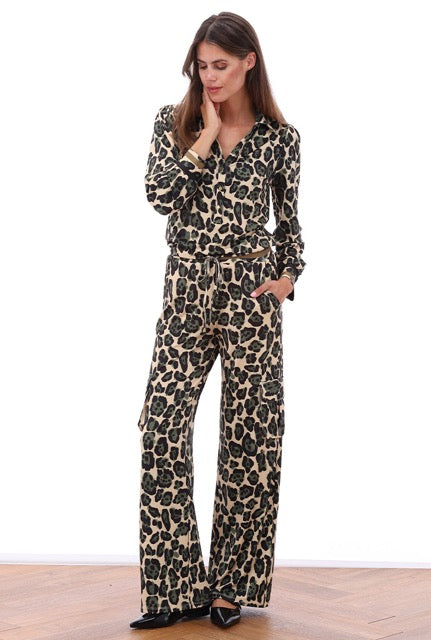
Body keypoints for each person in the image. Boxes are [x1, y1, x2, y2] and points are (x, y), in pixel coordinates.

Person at [130, 10, 306, 631]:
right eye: (202, 66)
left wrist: (288, 277)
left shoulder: (280, 139)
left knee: (251, 436)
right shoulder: (174, 123)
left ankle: (231, 588)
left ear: (249, 62)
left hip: (250, 295)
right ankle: (175, 589)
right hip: (185, 289)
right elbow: (160, 196)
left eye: (222, 65)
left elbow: (289, 224)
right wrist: (203, 138)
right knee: (160, 428)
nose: (210, 76)